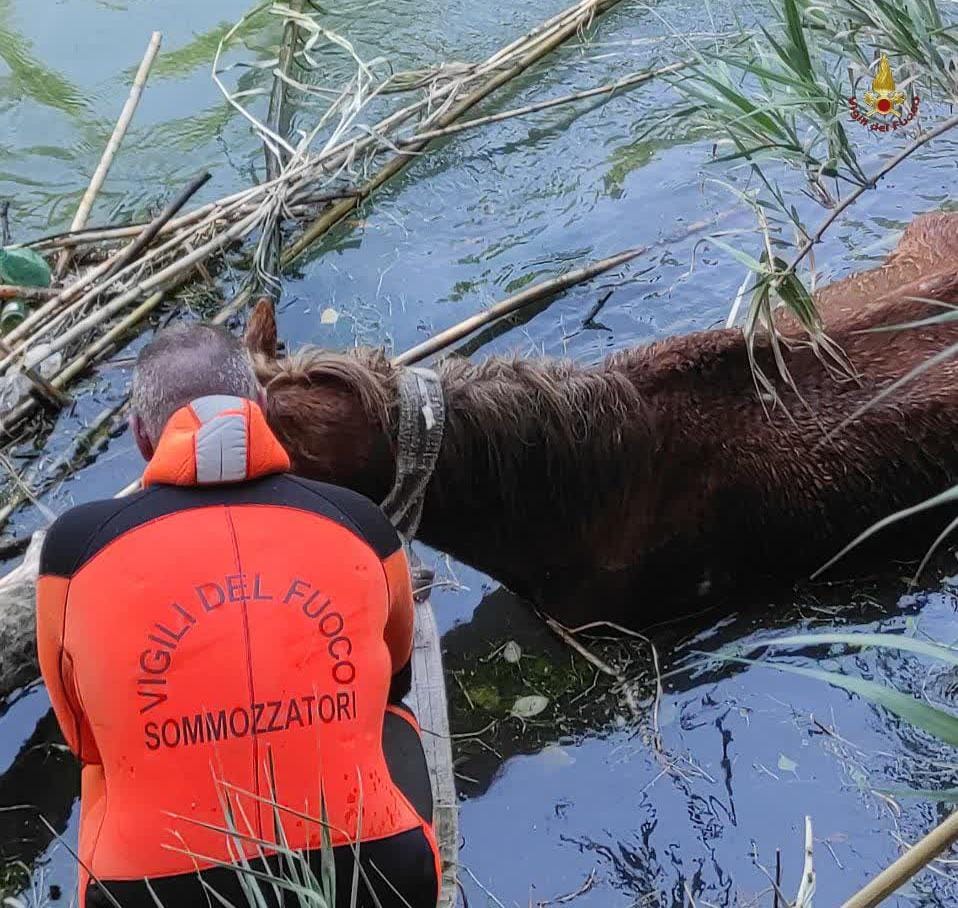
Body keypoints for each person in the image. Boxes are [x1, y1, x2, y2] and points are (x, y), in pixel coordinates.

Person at [35, 322, 440, 908]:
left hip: (147, 895)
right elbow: (395, 678)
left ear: (141, 437)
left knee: (105, 767)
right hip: (378, 876)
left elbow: (84, 739)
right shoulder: (361, 524)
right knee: (389, 718)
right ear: (263, 412)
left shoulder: (74, 552)